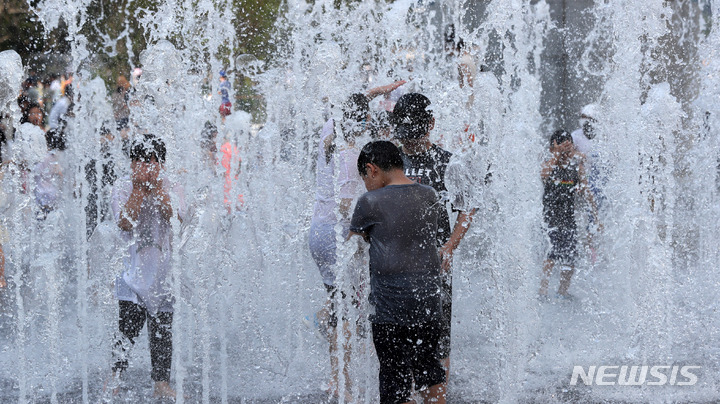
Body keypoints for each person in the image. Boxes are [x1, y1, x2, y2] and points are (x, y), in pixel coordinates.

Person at [308, 80, 405, 401]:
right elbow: (348, 204)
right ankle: (341, 381)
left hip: (318, 233)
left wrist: (371, 95)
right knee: (345, 310)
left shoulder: (328, 138)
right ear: (363, 122)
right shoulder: (353, 158)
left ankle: (331, 347)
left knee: (339, 301)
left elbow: (346, 112)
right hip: (339, 236)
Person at [349, 140, 446, 404]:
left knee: (395, 384)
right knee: (430, 373)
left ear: (372, 170)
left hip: (390, 308)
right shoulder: (429, 194)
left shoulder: (369, 201)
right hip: (428, 303)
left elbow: (354, 242)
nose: (365, 184)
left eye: (364, 178)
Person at [392, 92, 475, 386]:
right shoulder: (389, 161)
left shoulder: (447, 163)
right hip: (393, 271)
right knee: (398, 343)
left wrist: (450, 246)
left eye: (414, 131)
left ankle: (438, 394)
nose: (410, 140)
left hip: (433, 268)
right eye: (405, 132)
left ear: (430, 124)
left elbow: (469, 205)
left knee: (439, 343)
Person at [107, 134, 185, 399]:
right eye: (139, 160)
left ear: (160, 163)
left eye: (151, 161)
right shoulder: (122, 187)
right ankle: (114, 378)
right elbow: (125, 222)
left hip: (164, 276)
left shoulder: (172, 186)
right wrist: (140, 190)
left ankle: (161, 383)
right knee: (126, 332)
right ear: (131, 164)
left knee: (163, 333)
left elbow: (175, 216)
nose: (146, 166)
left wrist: (157, 190)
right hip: (133, 276)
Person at [539, 130, 599, 299]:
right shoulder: (549, 164)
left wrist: (596, 216)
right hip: (550, 218)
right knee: (551, 255)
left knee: (570, 257)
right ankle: (543, 291)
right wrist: (557, 155)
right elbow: (543, 175)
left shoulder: (575, 167)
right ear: (553, 148)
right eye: (562, 147)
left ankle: (562, 292)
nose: (566, 153)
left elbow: (587, 191)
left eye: (568, 147)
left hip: (568, 219)